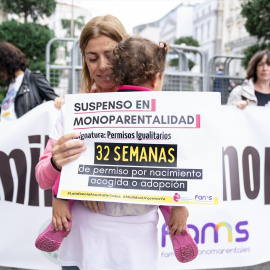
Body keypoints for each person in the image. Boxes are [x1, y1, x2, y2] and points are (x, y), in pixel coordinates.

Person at [35, 16, 194, 270]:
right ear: (84, 61)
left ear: (125, 54)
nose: (103, 66)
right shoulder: (74, 111)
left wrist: (179, 203)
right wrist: (56, 164)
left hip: (135, 245)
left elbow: (169, 167)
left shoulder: (158, 110)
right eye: (92, 57)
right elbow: (42, 178)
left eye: (109, 55)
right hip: (83, 245)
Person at [0, 41, 64, 121]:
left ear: (5, 63)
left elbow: (55, 99)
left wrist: (58, 100)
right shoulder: (10, 85)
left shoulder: (34, 78)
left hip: (24, 131)